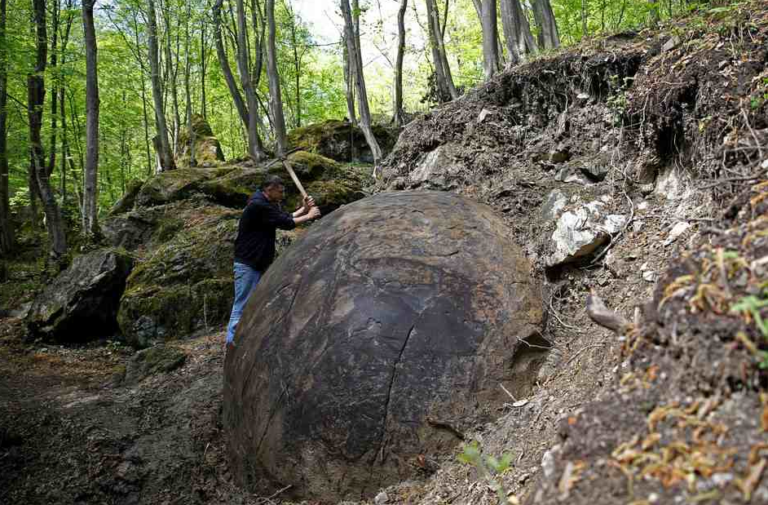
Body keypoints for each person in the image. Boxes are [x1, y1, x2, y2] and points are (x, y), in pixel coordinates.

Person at [225, 175, 321, 349]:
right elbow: (285, 223)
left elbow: (281, 217)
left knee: (255, 302)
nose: (283, 194)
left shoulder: (265, 203)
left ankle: (248, 339)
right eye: (280, 191)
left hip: (258, 262)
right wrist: (310, 215)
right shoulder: (258, 205)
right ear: (269, 190)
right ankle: (232, 345)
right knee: (242, 304)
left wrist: (303, 209)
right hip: (248, 263)